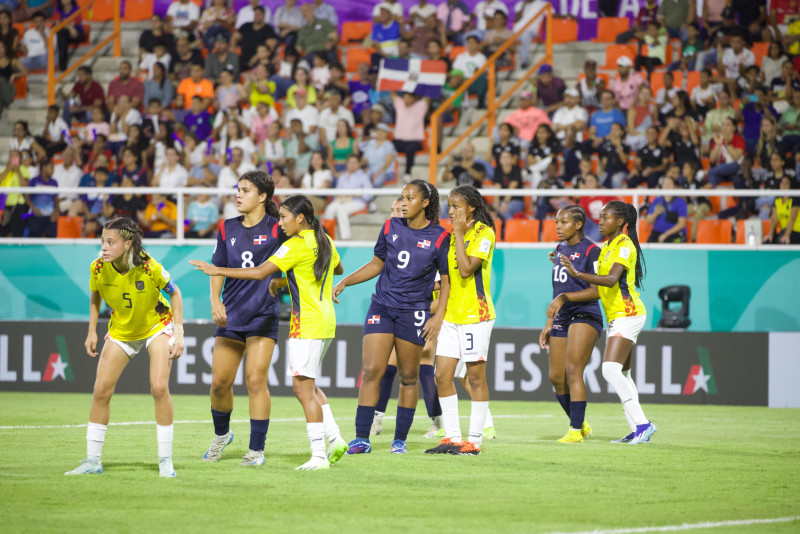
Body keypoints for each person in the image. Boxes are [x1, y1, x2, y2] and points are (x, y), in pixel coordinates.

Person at [190, 195, 347, 471]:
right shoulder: (325, 240)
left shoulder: (295, 246)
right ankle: (335, 438)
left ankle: (319, 456)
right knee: (310, 385)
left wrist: (216, 270)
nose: (281, 222)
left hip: (306, 323)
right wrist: (286, 279)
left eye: (285, 217)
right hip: (326, 321)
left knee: (302, 388)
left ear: (300, 219)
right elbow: (337, 268)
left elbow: (260, 272)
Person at [333, 180, 449, 454]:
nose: (404, 202)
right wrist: (347, 281)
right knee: (373, 369)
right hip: (382, 306)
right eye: (402, 197)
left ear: (424, 203)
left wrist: (438, 316)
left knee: (409, 377)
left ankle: (399, 440)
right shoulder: (389, 226)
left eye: (410, 198)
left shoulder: (441, 237)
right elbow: (377, 264)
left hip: (415, 312)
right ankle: (361, 437)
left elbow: (447, 281)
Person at [66, 217, 185, 477]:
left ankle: (165, 460)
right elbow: (95, 295)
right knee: (100, 390)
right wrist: (91, 331)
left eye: (111, 242)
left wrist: (179, 332)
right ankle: (92, 461)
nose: (104, 247)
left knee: (158, 387)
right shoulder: (98, 267)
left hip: (156, 326)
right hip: (121, 330)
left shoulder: (148, 265)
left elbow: (175, 293)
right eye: (102, 242)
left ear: (128, 243)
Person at [197, 171, 286, 466]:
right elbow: (217, 267)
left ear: (263, 196)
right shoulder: (227, 227)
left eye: (245, 190)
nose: (238, 195)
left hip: (262, 314)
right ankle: (222, 436)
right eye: (238, 189)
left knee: (255, 380)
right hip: (231, 315)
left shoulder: (278, 229)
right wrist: (215, 299)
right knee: (220, 382)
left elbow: (300, 261)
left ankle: (256, 450)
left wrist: (281, 282)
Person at [550, 200, 656, 445]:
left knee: (609, 370)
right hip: (616, 316)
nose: (600, 220)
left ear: (620, 221)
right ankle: (637, 430)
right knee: (624, 375)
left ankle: (644, 424)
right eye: (600, 216)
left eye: (606, 217)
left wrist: (577, 274)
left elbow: (608, 280)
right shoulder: (608, 246)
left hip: (628, 313)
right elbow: (596, 274)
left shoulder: (624, 245)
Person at [425, 184, 495, 456]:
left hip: (475, 316)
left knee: (476, 379)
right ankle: (453, 438)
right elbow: (449, 277)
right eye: (449, 206)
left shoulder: (484, 233)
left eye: (456, 207)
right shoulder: (451, 237)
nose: (450, 211)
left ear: (472, 209)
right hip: (452, 316)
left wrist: (457, 232)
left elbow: (466, 271)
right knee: (441, 375)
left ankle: (474, 442)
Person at [539, 206, 601, 443]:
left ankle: (575, 431)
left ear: (578, 224)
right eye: (556, 222)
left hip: (585, 314)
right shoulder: (560, 249)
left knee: (574, 370)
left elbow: (595, 292)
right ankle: (581, 422)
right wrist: (549, 323)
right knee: (556, 376)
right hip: (562, 317)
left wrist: (563, 299)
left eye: (564, 222)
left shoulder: (592, 250)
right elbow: (559, 290)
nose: (558, 226)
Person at [322, 153, 373, 240]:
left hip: (357, 201)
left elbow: (369, 195)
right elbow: (337, 193)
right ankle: (327, 238)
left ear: (359, 164)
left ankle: (345, 239)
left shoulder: (364, 177)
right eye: (350, 162)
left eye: (354, 163)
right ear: (347, 164)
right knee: (329, 209)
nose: (352, 165)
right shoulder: (342, 177)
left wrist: (356, 194)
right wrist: (340, 196)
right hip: (342, 200)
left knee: (341, 210)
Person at [645, 175, 688, 242]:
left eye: (669, 183)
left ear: (674, 186)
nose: (667, 185)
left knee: (667, 242)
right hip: (657, 232)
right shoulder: (657, 200)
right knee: (649, 243)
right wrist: (656, 213)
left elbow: (681, 224)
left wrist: (665, 235)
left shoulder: (680, 202)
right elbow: (648, 221)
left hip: (675, 234)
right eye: (665, 183)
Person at [25, 159, 60, 238]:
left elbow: (56, 198)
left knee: (51, 239)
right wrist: (33, 209)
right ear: (43, 168)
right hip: (36, 215)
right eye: (51, 167)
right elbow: (27, 197)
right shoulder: (34, 181)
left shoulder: (54, 182)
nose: (53, 170)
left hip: (49, 216)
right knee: (34, 240)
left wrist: (55, 211)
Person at [765, 175, 800, 245]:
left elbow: (792, 220)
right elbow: (774, 219)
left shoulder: (795, 199)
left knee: (782, 242)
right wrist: (770, 234)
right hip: (783, 230)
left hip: (796, 231)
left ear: (790, 186)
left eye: (786, 183)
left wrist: (786, 236)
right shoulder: (777, 199)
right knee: (767, 242)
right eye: (782, 183)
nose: (783, 185)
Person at [55, 0, 86, 72]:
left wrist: (67, 26)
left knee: (61, 35)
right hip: (67, 33)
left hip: (77, 33)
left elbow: (73, 23)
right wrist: (70, 28)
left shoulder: (76, 8)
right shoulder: (59, 10)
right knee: (61, 36)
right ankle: (62, 67)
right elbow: (57, 24)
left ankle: (62, 67)